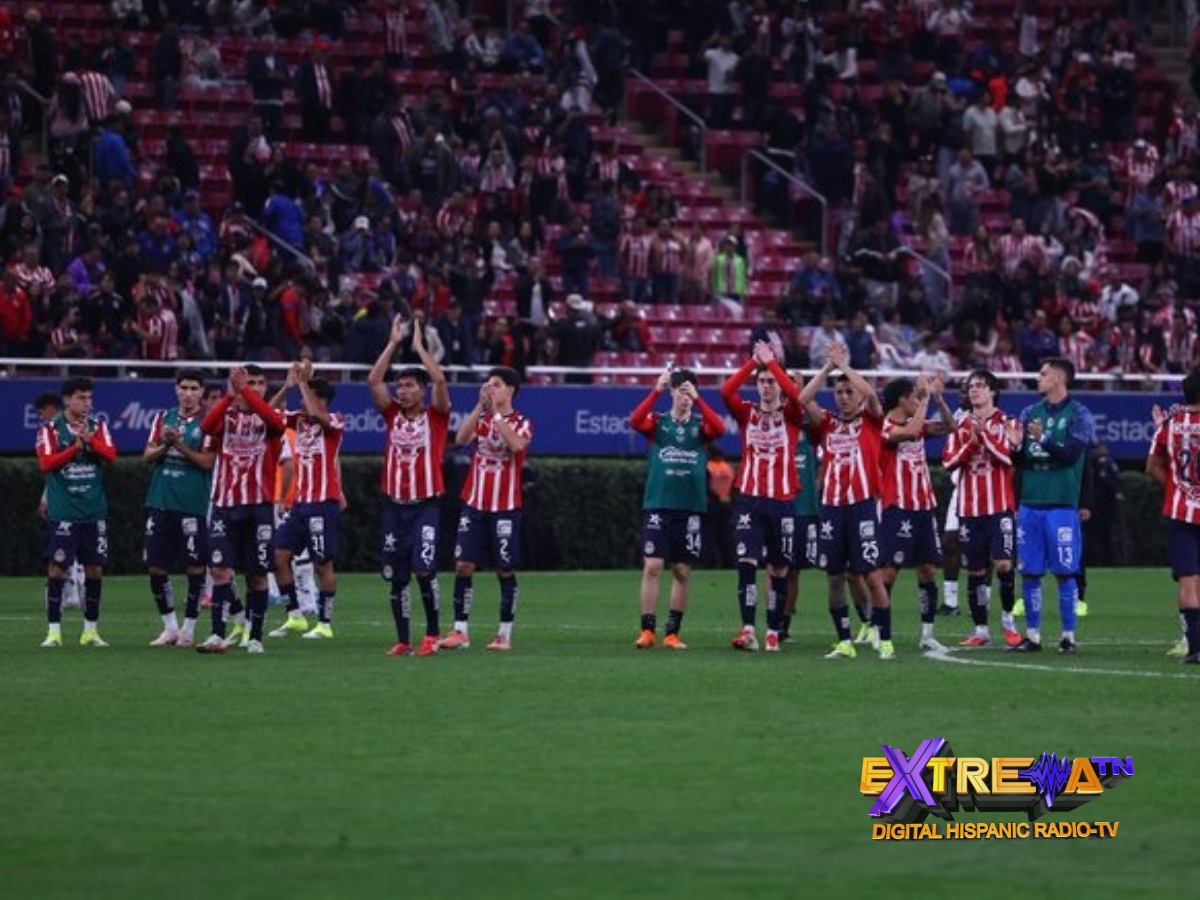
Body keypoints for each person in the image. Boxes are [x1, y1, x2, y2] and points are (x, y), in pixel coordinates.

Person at [798, 343, 893, 660]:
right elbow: (802, 399)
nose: (844, 397)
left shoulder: (871, 420)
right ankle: (844, 641)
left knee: (872, 576)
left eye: (849, 392)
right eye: (839, 392)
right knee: (835, 578)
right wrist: (828, 367)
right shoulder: (828, 423)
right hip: (832, 510)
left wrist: (845, 366)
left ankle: (885, 639)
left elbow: (872, 395)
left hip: (862, 506)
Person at [368, 314, 451, 657]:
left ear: (422, 390)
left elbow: (440, 380)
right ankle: (403, 639)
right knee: (395, 574)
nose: (401, 391)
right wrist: (392, 343)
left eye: (409, 386)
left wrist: (418, 347)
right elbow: (374, 380)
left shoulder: (437, 416)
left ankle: (432, 634)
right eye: (399, 386)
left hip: (425, 506)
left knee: (424, 568)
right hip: (394, 507)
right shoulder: (392, 415)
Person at [629, 366, 725, 650]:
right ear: (671, 392)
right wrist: (655, 391)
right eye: (680, 391)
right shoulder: (659, 423)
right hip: (659, 504)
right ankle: (647, 630)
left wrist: (699, 399)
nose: (684, 397)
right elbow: (635, 420)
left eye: (688, 392)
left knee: (682, 570)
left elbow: (719, 429)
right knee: (653, 566)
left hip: (690, 507)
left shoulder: (699, 426)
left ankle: (672, 633)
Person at [439, 367, 533, 651]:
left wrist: (496, 415)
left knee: (504, 568)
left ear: (510, 390)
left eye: (497, 384)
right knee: (463, 565)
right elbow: (461, 438)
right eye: (488, 384)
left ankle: (504, 634)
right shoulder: (482, 418)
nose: (490, 388)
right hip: (475, 502)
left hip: (505, 506)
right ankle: (460, 631)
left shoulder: (521, 422)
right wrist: (481, 407)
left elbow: (516, 445)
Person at [719, 341, 804, 652]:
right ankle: (748, 630)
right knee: (747, 563)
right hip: (750, 500)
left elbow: (797, 396)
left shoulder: (791, 415)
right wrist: (753, 364)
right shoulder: (747, 413)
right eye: (762, 381)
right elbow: (726, 391)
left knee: (780, 569)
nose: (767, 387)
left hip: (782, 501)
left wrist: (774, 366)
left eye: (771, 382)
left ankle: (773, 631)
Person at [196, 365, 286, 654]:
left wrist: (243, 389)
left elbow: (276, 423)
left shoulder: (272, 417)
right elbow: (206, 426)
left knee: (257, 574)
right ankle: (216, 634)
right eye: (249, 383)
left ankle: (255, 637)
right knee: (220, 570)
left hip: (259, 507)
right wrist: (230, 395)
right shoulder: (226, 416)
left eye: (258, 383)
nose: (254, 387)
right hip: (225, 505)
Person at [1009, 358, 1097, 654]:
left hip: (1061, 504)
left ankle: (1068, 636)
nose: (1039, 378)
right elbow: (1020, 461)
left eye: (1044, 373)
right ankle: (1032, 636)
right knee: (1030, 571)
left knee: (1064, 571)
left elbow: (1071, 455)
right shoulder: (1028, 412)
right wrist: (1014, 447)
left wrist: (1043, 439)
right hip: (1030, 502)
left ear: (1059, 378)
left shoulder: (1080, 414)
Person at [941, 370, 1021, 649]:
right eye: (970, 386)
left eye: (980, 386)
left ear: (993, 392)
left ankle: (1009, 622)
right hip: (969, 509)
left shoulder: (1009, 422)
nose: (973, 390)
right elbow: (948, 462)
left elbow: (1008, 457)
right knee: (975, 571)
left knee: (1003, 564)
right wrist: (970, 445)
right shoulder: (960, 426)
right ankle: (981, 630)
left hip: (999, 507)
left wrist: (984, 435)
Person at [36, 377, 117, 648]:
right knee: (57, 567)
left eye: (89, 398)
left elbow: (111, 456)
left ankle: (90, 631)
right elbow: (46, 463)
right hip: (64, 512)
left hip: (93, 510)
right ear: (67, 400)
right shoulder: (50, 429)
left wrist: (91, 442)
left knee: (94, 568)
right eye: (81, 398)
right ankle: (53, 632)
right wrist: (74, 448)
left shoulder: (98, 427)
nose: (87, 403)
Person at [267, 363, 345, 641]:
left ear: (321, 398)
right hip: (301, 503)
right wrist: (286, 387)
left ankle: (324, 623)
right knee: (279, 556)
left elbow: (315, 414)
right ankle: (295, 617)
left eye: (308, 395)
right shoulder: (298, 419)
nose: (302, 401)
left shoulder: (335, 420)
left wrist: (302, 382)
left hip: (323, 503)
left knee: (322, 564)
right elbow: (267, 414)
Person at [879, 374, 956, 653]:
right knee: (889, 572)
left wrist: (938, 399)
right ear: (902, 399)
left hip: (923, 507)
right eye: (913, 396)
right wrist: (925, 399)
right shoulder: (886, 427)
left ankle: (927, 634)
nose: (916, 400)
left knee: (927, 571)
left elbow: (951, 426)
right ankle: (879, 630)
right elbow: (910, 433)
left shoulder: (918, 422)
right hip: (897, 507)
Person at [141, 369, 214, 649]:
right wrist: (165, 445)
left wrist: (178, 444)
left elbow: (207, 462)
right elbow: (147, 455)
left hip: (192, 504)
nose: (188, 393)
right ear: (176, 389)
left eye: (194, 388)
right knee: (155, 567)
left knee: (195, 566)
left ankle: (189, 629)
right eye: (184, 388)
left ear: (201, 392)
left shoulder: (208, 422)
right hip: (159, 501)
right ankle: (170, 627)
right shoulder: (163, 417)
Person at [1148, 373, 1200, 664]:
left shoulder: (1169, 425)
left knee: (1188, 581)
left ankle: (1195, 648)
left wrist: (1177, 490)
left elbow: (1152, 466)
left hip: (1181, 511)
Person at [33, 391, 83, 611]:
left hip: (66, 500)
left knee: (63, 546)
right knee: (69, 546)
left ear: (50, 409)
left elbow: (54, 469)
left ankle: (70, 592)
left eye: (41, 412)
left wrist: (46, 499)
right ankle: (73, 591)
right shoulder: (56, 430)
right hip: (72, 496)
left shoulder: (59, 430)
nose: (41, 416)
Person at [782, 372, 821, 644]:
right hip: (779, 504)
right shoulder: (773, 421)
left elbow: (819, 420)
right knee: (776, 567)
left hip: (804, 508)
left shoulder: (808, 428)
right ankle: (773, 620)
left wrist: (802, 393)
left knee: (794, 570)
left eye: (795, 382)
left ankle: (784, 625)